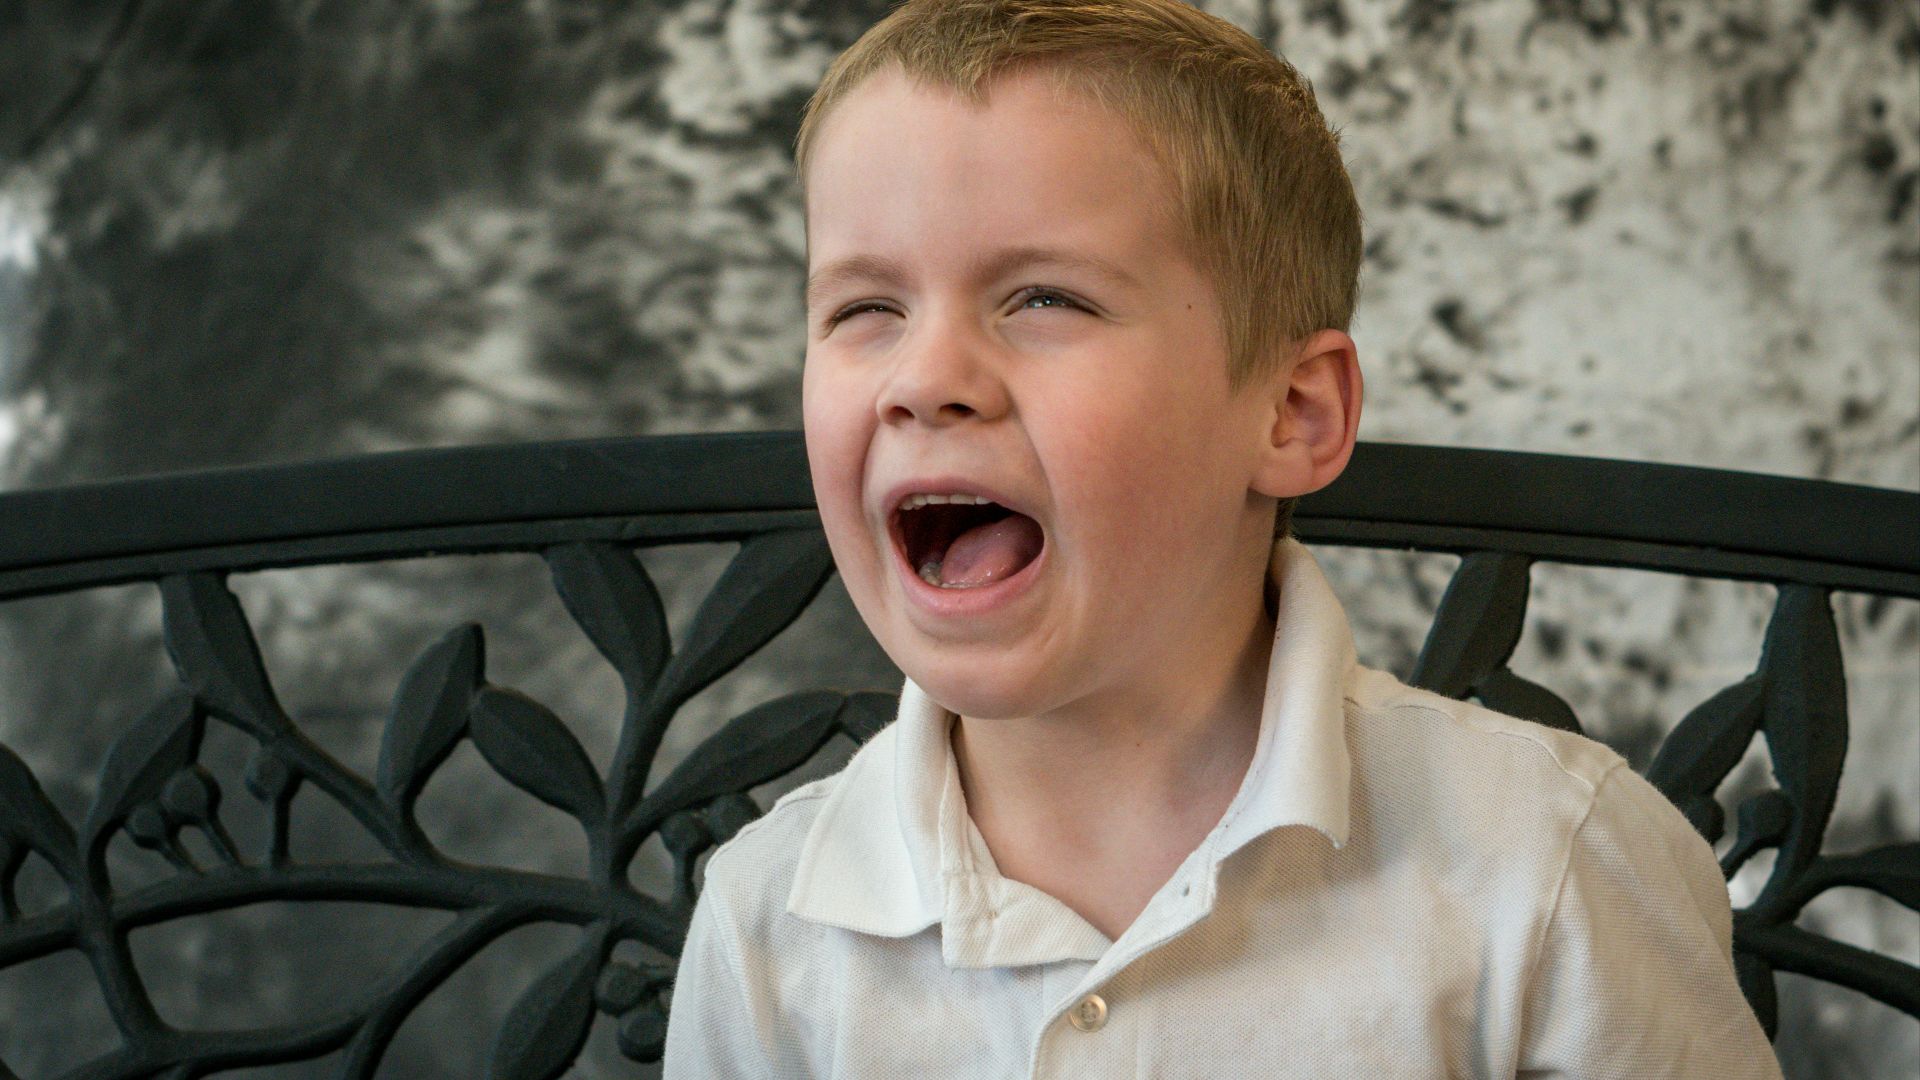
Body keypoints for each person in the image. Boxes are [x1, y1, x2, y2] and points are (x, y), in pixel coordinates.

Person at [663, 1, 1782, 1075]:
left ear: (1292, 413)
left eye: (1044, 299)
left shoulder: (1552, 867)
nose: (924, 378)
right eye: (865, 310)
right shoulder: (769, 925)